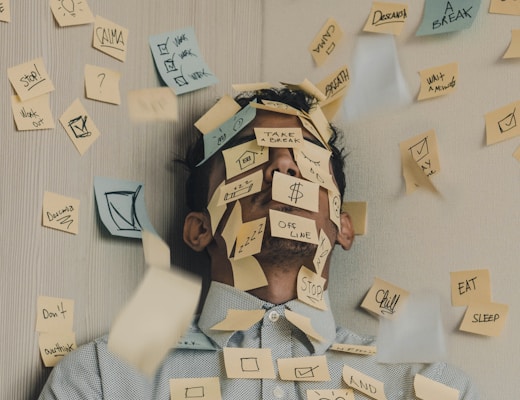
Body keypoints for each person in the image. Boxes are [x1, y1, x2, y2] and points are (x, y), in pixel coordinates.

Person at [38, 88, 478, 399]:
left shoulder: (433, 390)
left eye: (306, 156)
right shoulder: (101, 381)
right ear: (199, 229)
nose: (282, 164)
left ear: (343, 228)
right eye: (251, 151)